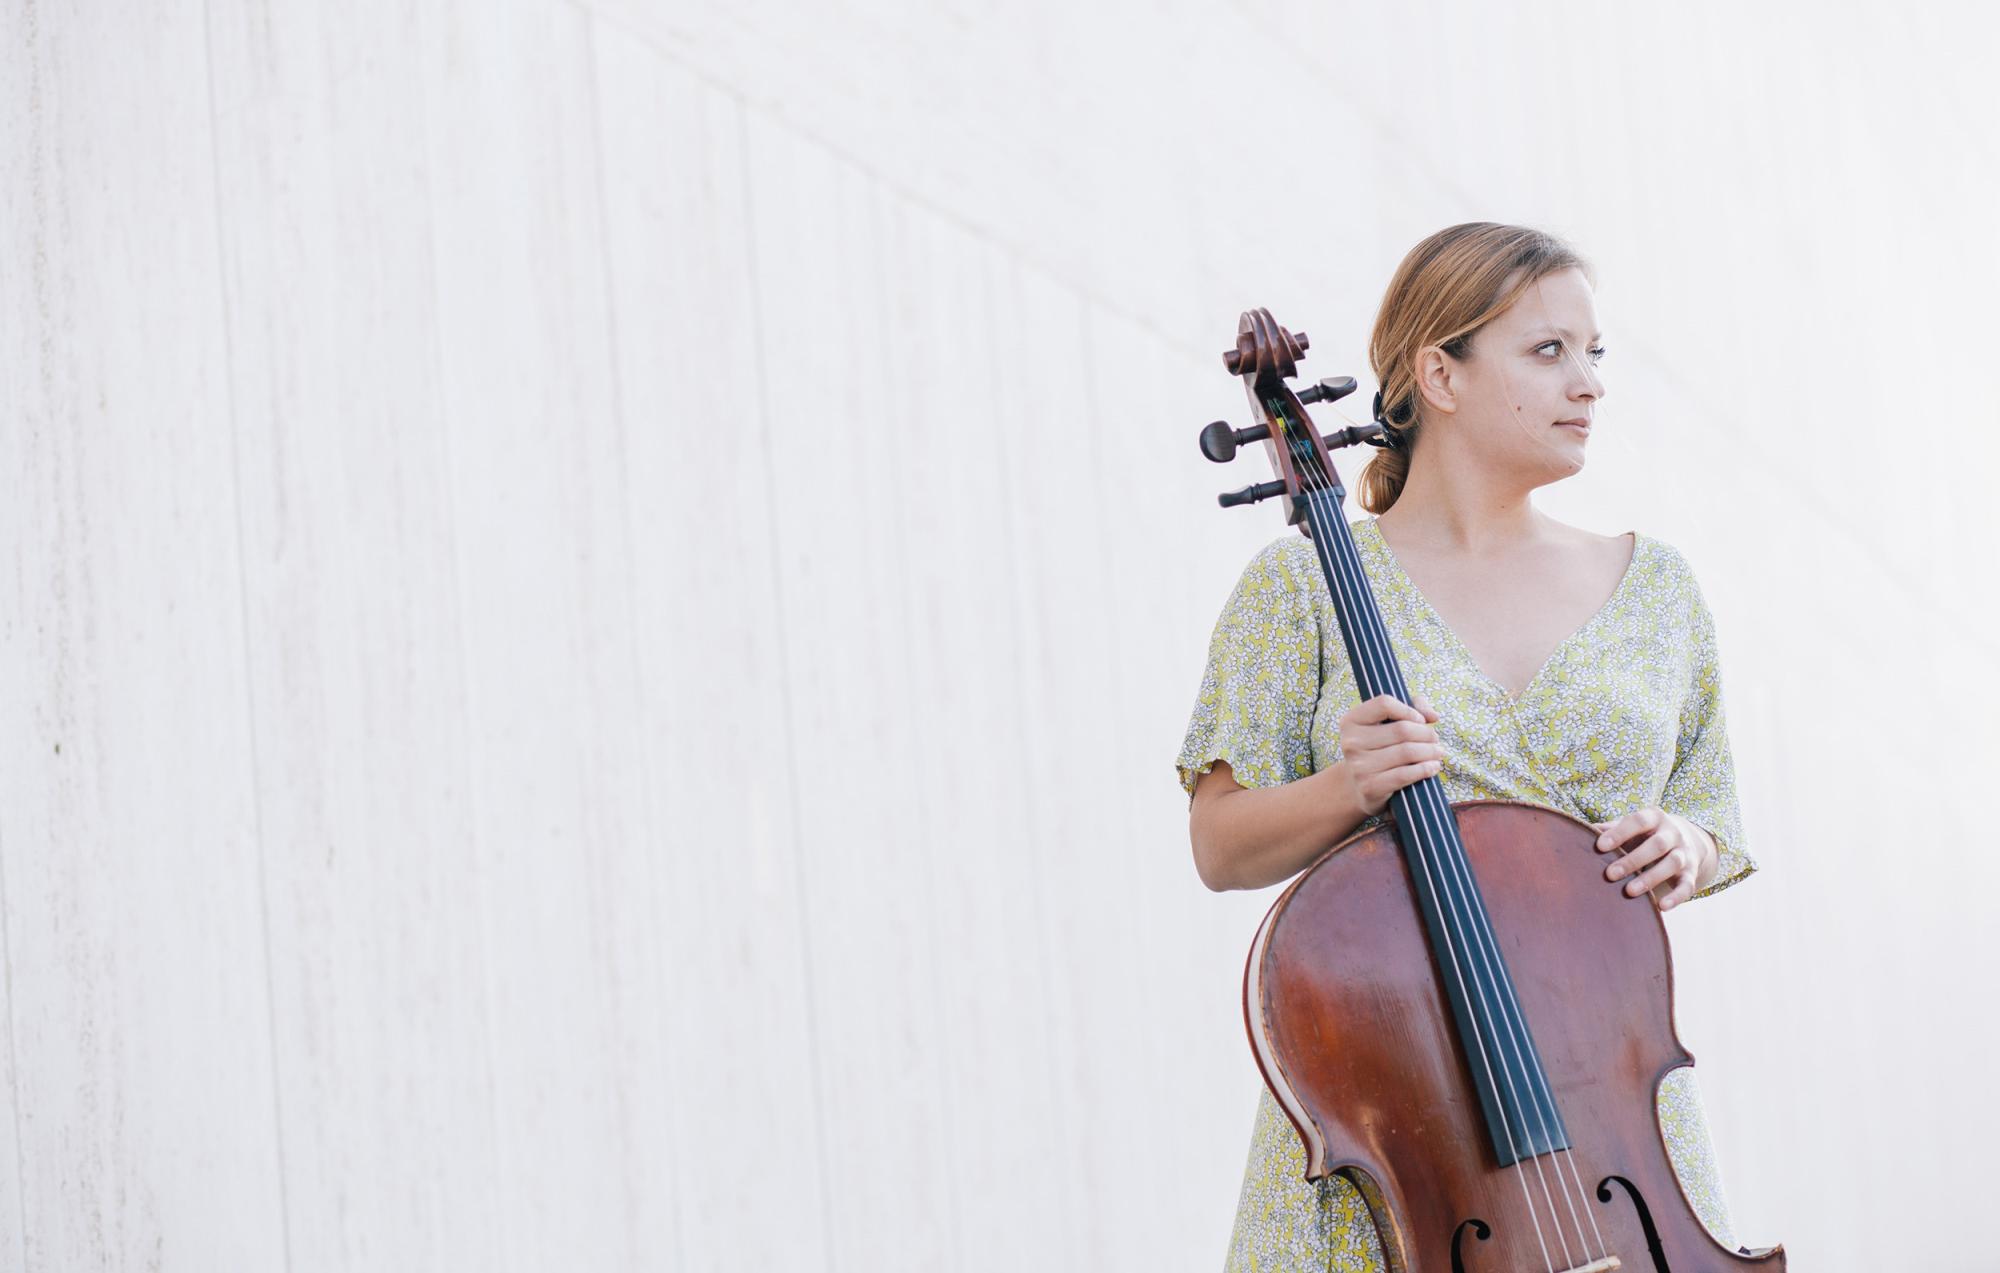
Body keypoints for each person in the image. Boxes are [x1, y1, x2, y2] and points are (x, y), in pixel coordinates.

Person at [1175, 222, 1759, 1271]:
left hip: (1614, 1144)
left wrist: (1687, 842)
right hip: (1397, 1139)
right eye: (1547, 351)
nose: (1586, 383)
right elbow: (1219, 845)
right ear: (1437, 373)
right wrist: (1345, 786)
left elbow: (1714, 814)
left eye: (1594, 354)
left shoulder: (1657, 587)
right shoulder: (1299, 587)